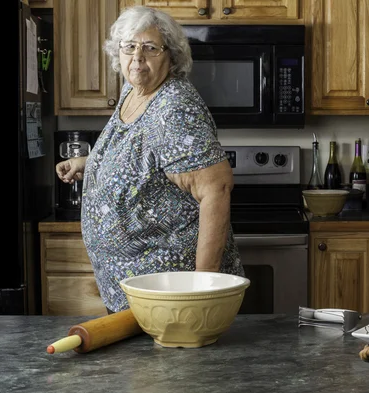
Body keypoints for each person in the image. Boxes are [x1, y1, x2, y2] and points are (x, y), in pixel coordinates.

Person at [55, 6, 244, 314]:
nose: (138, 58)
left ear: (171, 55)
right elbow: (139, 155)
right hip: (139, 292)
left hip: (174, 296)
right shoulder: (134, 91)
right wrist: (90, 163)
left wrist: (202, 287)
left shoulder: (174, 107)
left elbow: (216, 189)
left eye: (150, 48)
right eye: (129, 47)